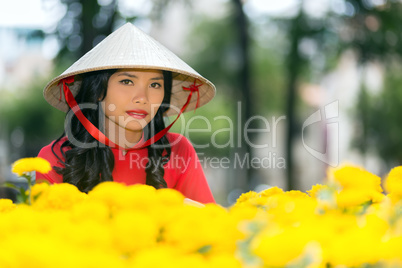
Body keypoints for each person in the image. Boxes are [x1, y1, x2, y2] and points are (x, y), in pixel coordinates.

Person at [36, 23, 216, 204]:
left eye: (155, 85)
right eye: (127, 81)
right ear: (98, 90)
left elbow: (209, 225)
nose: (142, 98)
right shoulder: (54, 159)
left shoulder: (178, 150)